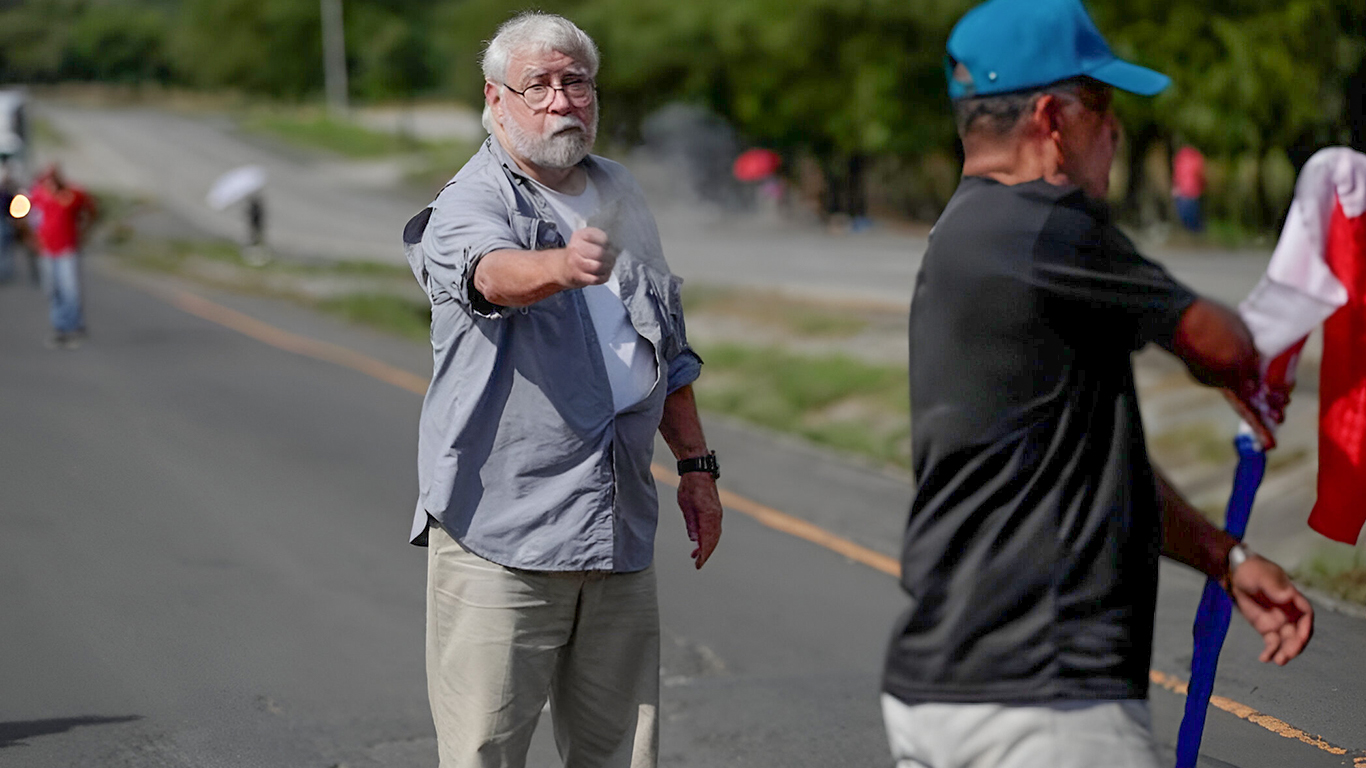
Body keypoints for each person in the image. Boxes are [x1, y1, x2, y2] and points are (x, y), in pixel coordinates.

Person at [880, 1, 1314, 766]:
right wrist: (1320, 242)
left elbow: (1088, 463)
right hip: (1043, 699)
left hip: (943, 687)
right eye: (1104, 106)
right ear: (1052, 115)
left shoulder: (966, 232)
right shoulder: (1051, 225)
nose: (1116, 132)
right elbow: (1226, 350)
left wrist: (1228, 559)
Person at [401, 12, 723, 768]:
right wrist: (560, 268)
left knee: (618, 755)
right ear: (497, 98)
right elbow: (489, 274)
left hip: (617, 527)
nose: (560, 101)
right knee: (486, 753)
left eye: (574, 81)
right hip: (503, 538)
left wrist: (698, 469)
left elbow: (666, 348)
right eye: (538, 84)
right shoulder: (472, 200)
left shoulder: (619, 189)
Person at [27, 164, 96, 348]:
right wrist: (31, 237)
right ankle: (60, 327)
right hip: (47, 250)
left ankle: (74, 327)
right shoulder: (38, 194)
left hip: (67, 249)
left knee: (69, 289)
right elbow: (24, 214)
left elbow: (91, 209)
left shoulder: (72, 194)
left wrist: (85, 231)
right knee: (53, 289)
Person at [1173, 144, 1207, 233]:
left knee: (1186, 216)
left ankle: (1190, 234)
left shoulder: (1180, 158)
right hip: (1193, 192)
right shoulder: (1197, 159)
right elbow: (1201, 176)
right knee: (1192, 217)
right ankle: (1194, 235)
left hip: (1185, 192)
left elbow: (1177, 175)